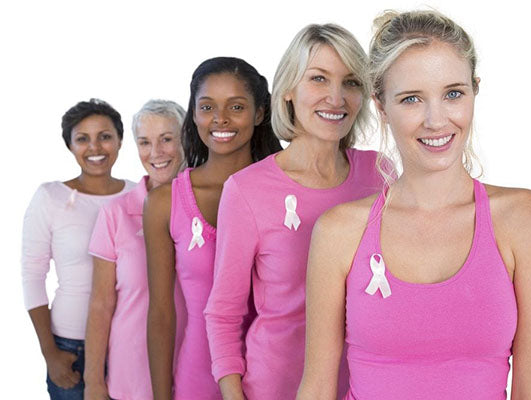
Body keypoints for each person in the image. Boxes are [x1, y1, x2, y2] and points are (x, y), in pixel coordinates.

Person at [297, 10, 531, 400]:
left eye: (453, 93)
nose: (436, 120)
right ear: (382, 107)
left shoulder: (528, 221)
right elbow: (317, 387)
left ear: (475, 90)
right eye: (411, 99)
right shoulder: (340, 231)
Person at [204, 24, 386, 400]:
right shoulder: (247, 190)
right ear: (288, 89)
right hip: (275, 388)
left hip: (365, 387)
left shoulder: (380, 176)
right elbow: (223, 314)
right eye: (319, 79)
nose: (336, 98)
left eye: (351, 82)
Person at [144, 57, 282, 400]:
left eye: (236, 106)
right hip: (197, 380)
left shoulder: (286, 193)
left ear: (260, 113)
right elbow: (161, 313)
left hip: (278, 379)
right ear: (193, 113)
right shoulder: (165, 202)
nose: (220, 119)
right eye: (207, 106)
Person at [21, 99, 135, 400]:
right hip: (71, 346)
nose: (95, 147)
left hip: (128, 344)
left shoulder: (141, 195)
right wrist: (50, 354)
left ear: (120, 141)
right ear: (70, 145)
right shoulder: (50, 198)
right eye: (82, 139)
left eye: (105, 136)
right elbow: (33, 276)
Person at [83, 99, 186, 400]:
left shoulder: (210, 206)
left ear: (187, 139)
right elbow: (101, 303)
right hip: (132, 379)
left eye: (167, 139)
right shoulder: (115, 214)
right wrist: (93, 382)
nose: (156, 153)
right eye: (145, 142)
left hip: (194, 373)